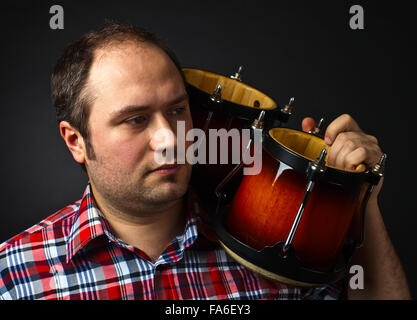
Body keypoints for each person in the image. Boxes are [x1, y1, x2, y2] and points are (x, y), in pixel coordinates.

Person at [0, 23, 410, 300]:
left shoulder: (272, 238)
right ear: (76, 141)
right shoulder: (14, 274)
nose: (170, 138)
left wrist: (361, 197)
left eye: (178, 111)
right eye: (136, 119)